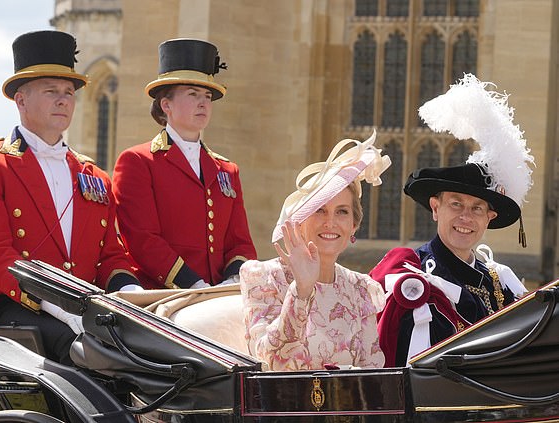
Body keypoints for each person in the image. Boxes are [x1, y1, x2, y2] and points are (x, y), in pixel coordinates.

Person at [0, 30, 141, 365]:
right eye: (51, 91)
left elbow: (112, 255)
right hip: (6, 306)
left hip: (83, 309)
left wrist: (131, 293)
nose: (63, 100)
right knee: (89, 350)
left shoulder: (94, 176)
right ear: (20, 100)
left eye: (69, 92)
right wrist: (58, 305)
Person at [372, 74, 533, 366]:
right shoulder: (412, 275)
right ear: (436, 208)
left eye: (476, 209)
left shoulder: (499, 282)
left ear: (489, 218)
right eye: (455, 204)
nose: (465, 217)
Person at [113, 38, 256, 289]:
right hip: (162, 296)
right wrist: (193, 284)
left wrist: (232, 280)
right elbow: (142, 240)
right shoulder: (138, 161)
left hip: (218, 296)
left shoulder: (226, 170)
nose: (203, 103)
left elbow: (240, 241)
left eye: (207, 96)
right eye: (193, 94)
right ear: (166, 105)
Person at [240, 132, 390, 371]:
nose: (330, 222)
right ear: (299, 222)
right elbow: (268, 360)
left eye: (342, 212)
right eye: (319, 210)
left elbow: (371, 370)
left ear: (354, 225)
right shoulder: (262, 277)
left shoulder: (362, 289)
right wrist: (302, 291)